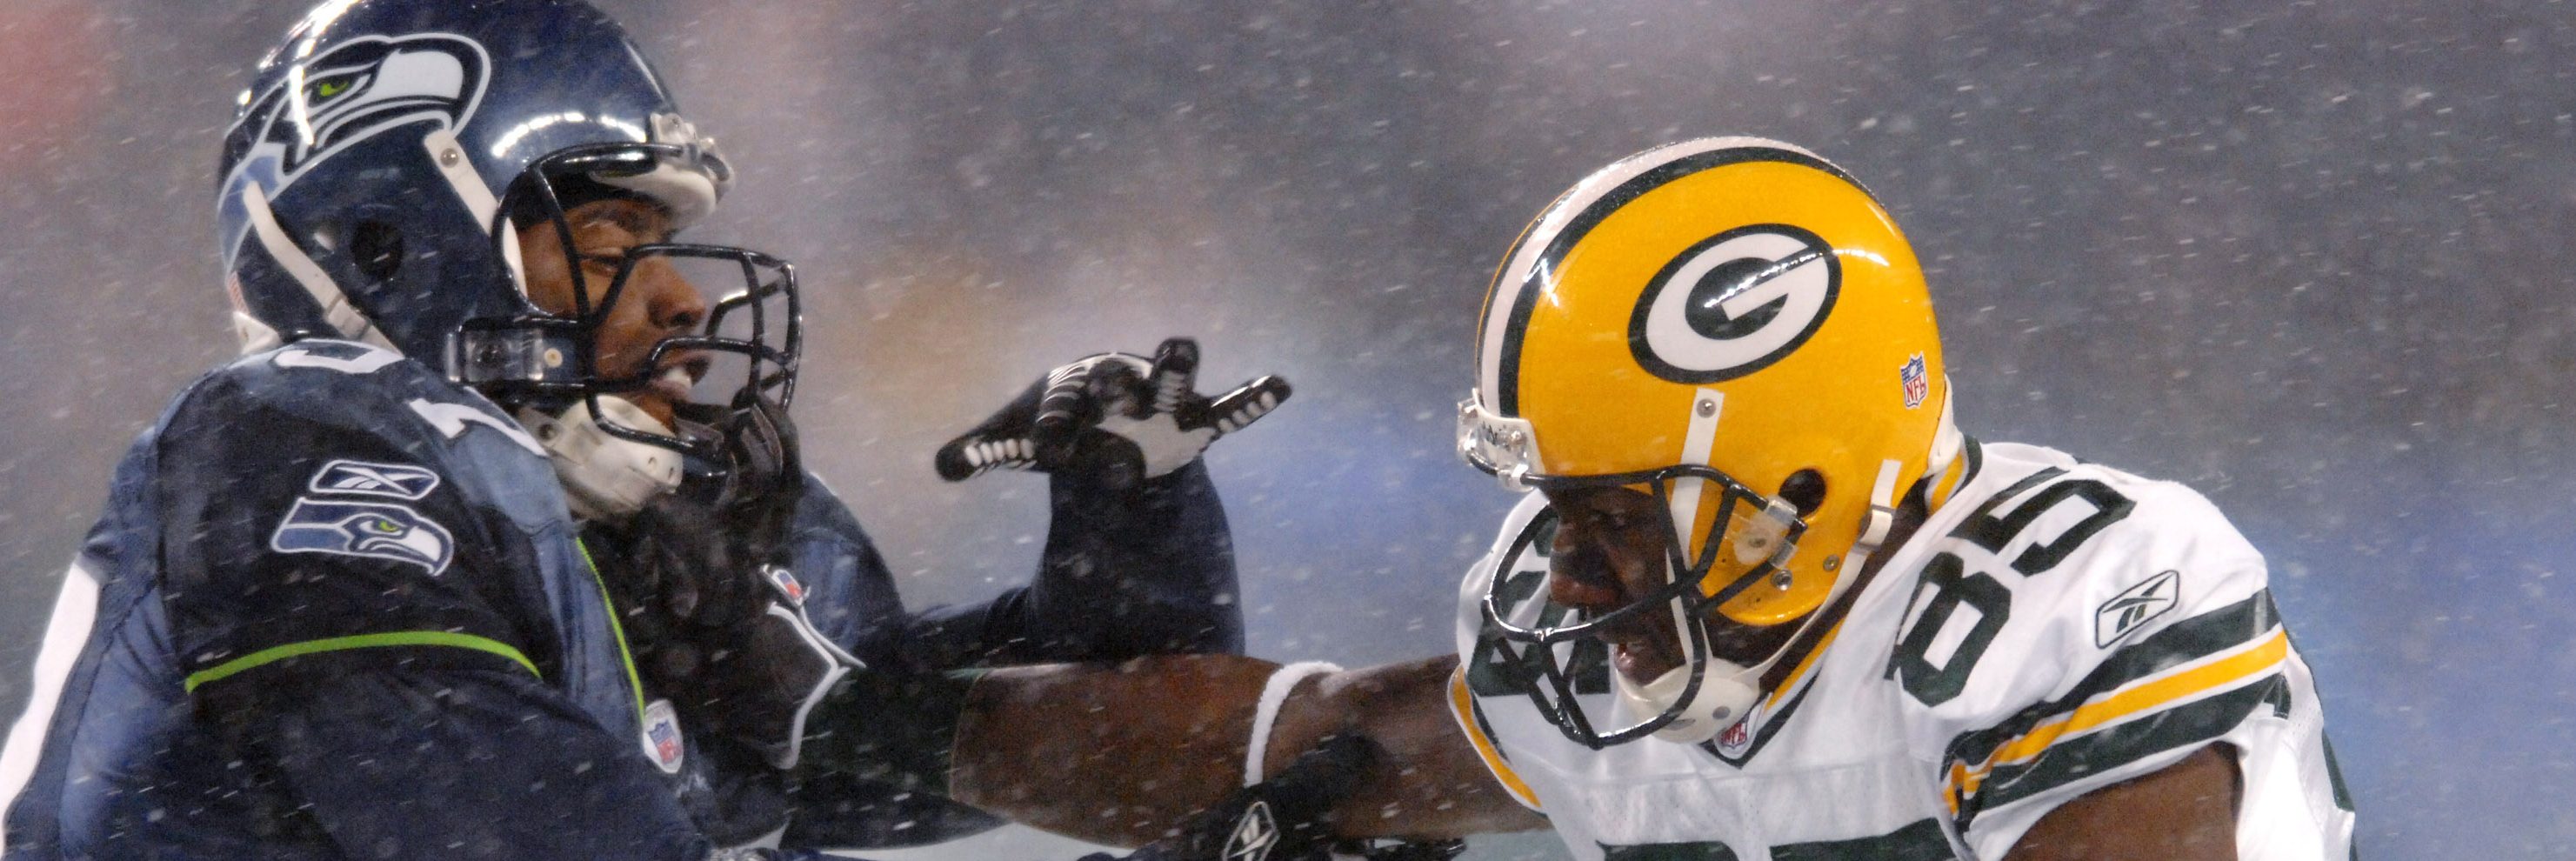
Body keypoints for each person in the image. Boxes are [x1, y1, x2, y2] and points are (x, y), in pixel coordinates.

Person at [0, 1, 1290, 858]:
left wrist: (1133, 530)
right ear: (392, 243)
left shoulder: (622, 519)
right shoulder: (286, 435)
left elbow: (1021, 751)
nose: (681, 298)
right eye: (610, 242)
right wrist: (792, 704)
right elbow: (510, 821)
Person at [906, 137, 2359, 861]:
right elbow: (1311, 744)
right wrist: (864, 722)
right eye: (1565, 511)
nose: (1576, 572)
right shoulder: (1675, 651)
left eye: (1613, 515)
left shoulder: (2072, 609)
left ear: (1800, 479)